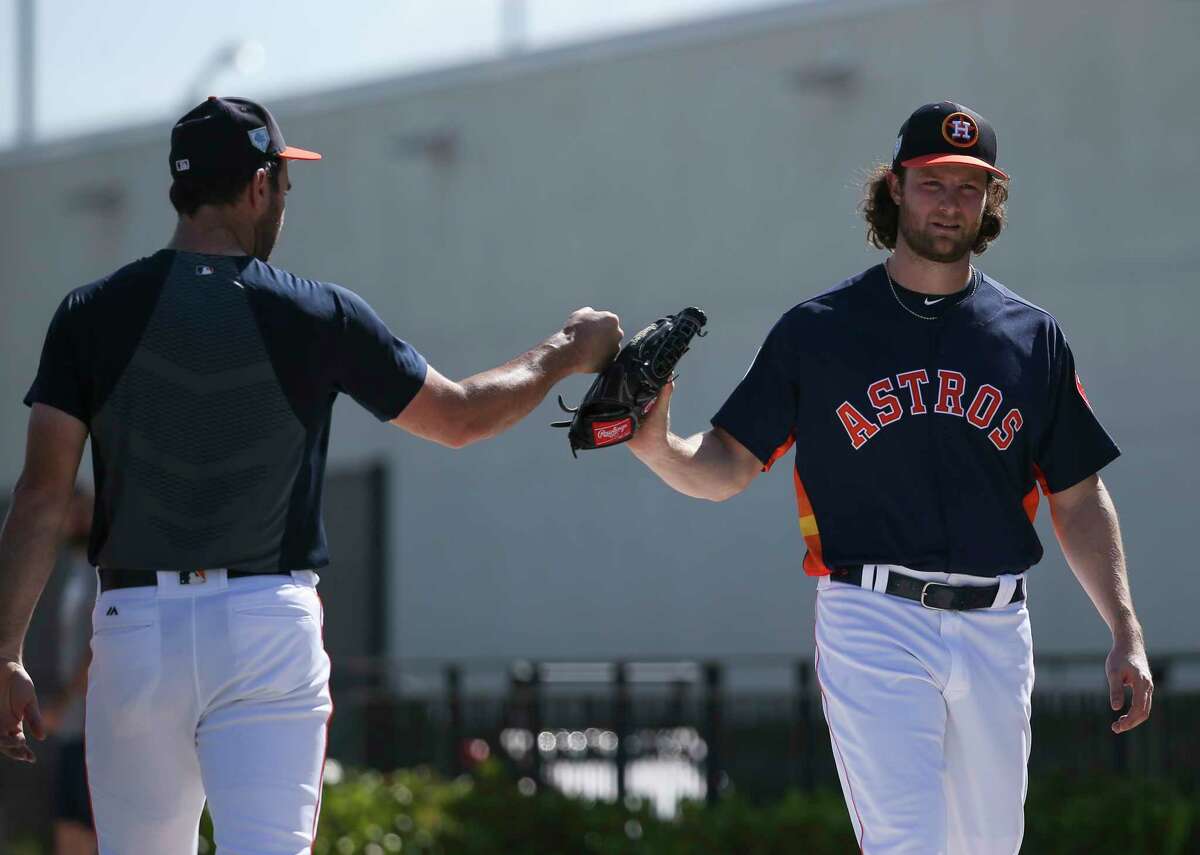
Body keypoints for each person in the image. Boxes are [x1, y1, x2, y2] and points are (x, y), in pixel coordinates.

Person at [0, 95, 621, 854]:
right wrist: (568, 347)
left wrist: (6, 649)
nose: (285, 203)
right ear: (259, 186)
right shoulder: (318, 313)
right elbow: (460, 417)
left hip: (136, 637)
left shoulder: (87, 314)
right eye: (284, 185)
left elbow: (41, 494)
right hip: (266, 626)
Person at [625, 101, 1152, 854]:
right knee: (908, 843)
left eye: (970, 187)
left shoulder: (1032, 338)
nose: (951, 201)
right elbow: (727, 462)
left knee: (990, 846)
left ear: (991, 203)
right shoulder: (821, 329)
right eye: (933, 181)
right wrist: (655, 446)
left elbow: (1079, 494)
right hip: (874, 615)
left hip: (998, 623)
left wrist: (1124, 626)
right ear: (896, 187)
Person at [40, 490, 98, 855]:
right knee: (68, 830)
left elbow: (99, 647)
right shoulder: (73, 567)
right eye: (68, 511)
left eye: (81, 510)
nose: (73, 519)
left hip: (94, 725)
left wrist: (61, 703)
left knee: (97, 833)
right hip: (70, 728)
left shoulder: (100, 570)